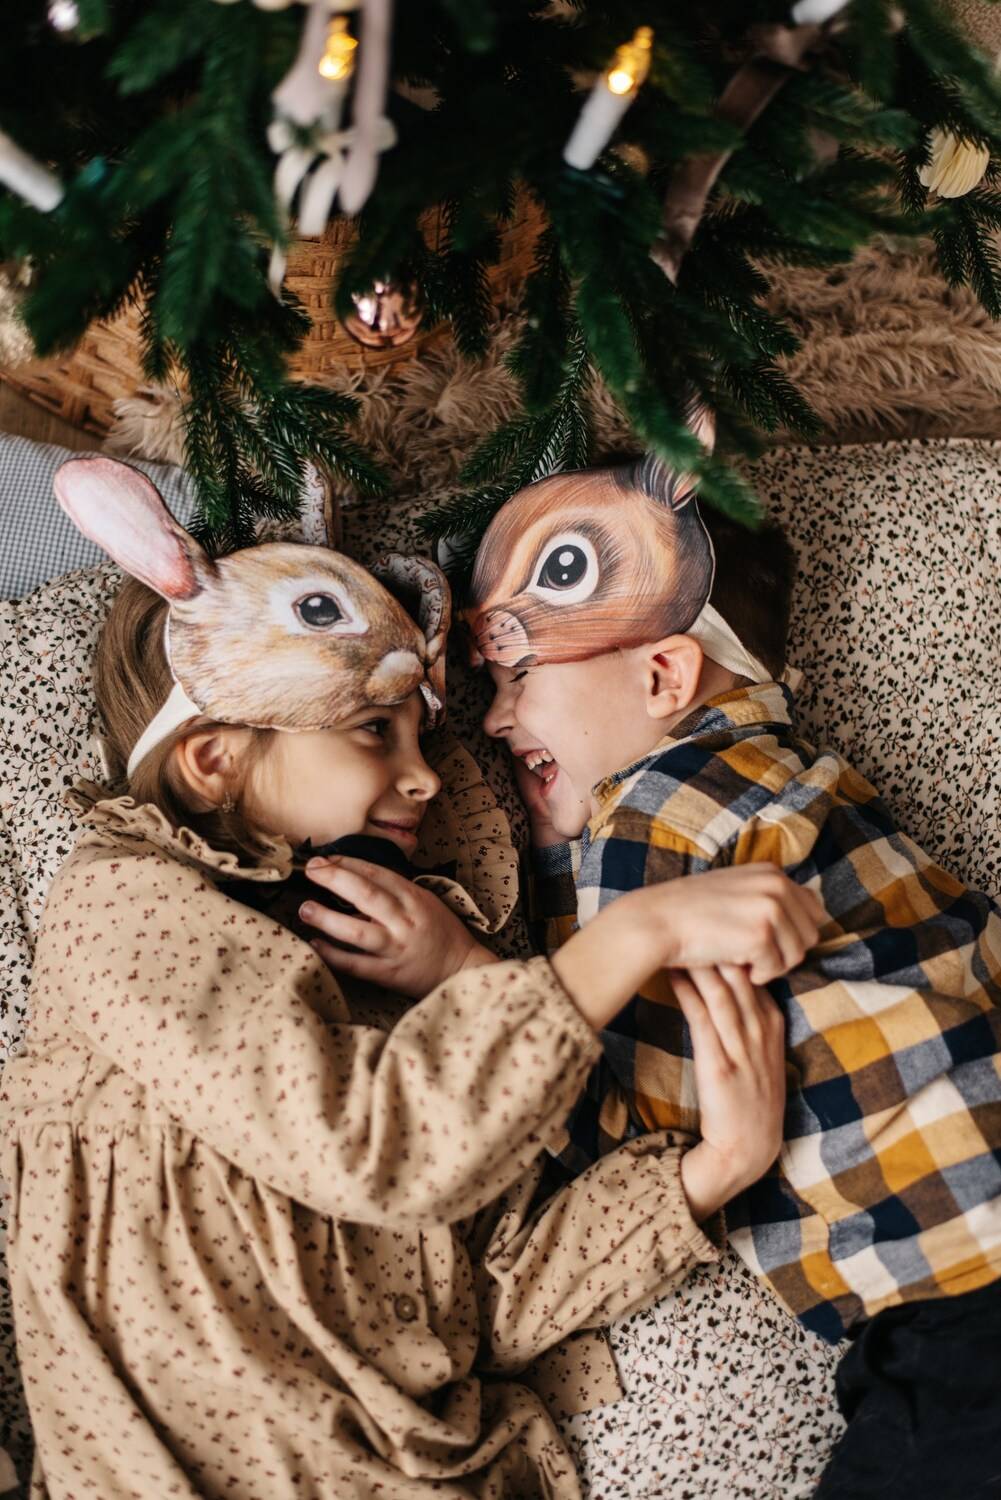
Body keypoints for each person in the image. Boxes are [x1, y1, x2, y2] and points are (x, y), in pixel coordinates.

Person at [0, 455, 817, 1500]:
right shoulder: (125, 905)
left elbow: (478, 1306)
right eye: (372, 730)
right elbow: (362, 1144)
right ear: (213, 761)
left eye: (419, 733)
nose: (426, 774)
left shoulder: (399, 982)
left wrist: (712, 1171)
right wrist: (626, 940)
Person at [469, 446, 1001, 1499]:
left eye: (518, 675)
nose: (492, 719)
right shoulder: (793, 784)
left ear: (662, 677)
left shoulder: (653, 819)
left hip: (960, 1281)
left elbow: (628, 1134)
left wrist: (463, 968)